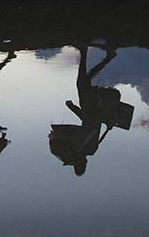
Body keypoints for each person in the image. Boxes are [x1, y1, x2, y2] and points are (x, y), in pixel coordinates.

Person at [49, 46, 116, 176]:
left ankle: (102, 56)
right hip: (92, 108)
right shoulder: (83, 148)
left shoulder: (85, 149)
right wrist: (73, 108)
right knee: (82, 81)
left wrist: (73, 107)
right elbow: (88, 123)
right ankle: (87, 52)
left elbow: (87, 124)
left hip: (91, 109)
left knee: (85, 79)